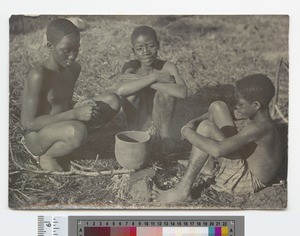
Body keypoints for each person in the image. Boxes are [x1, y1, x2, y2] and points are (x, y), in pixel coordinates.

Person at [152, 74, 282, 202]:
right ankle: (208, 166)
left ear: (256, 105)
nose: (236, 105)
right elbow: (217, 111)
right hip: (244, 163)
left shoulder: (258, 128)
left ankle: (182, 191)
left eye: (241, 103)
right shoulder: (260, 117)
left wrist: (186, 131)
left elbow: (218, 151)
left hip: (247, 180)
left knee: (205, 128)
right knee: (217, 106)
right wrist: (193, 122)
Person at [21, 18, 121, 172]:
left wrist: (78, 105)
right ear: (49, 46)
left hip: (65, 122)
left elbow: (61, 102)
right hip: (38, 136)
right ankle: (49, 156)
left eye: (77, 48)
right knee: (78, 131)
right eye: (66, 50)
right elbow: (28, 124)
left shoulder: (74, 68)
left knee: (112, 100)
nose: (73, 55)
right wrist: (75, 113)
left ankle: (71, 147)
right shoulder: (39, 75)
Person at [115, 25, 187, 155]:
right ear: (133, 51)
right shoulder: (132, 67)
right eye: (139, 49)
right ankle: (134, 132)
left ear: (158, 45)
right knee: (132, 91)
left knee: (166, 91)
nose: (146, 52)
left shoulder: (167, 67)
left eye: (150, 46)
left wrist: (149, 82)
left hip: (160, 121)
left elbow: (182, 92)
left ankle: (165, 136)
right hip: (139, 120)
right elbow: (121, 90)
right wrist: (155, 77)